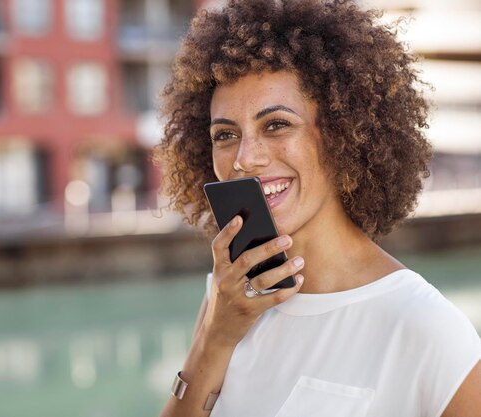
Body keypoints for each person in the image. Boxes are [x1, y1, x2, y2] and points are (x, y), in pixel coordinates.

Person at [153, 0, 481, 416]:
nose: (244, 159)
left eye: (276, 125)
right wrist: (214, 338)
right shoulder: (228, 296)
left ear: (346, 132)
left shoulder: (426, 329)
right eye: (225, 134)